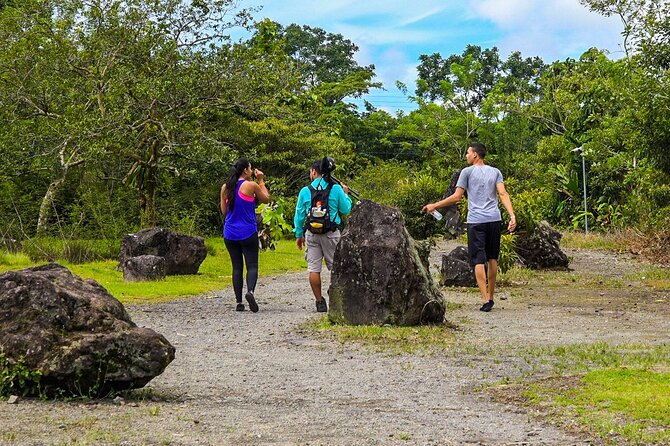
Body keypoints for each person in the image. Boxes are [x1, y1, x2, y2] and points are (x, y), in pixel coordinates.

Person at [423, 142, 516, 312]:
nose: (466, 156)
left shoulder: (466, 172)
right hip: (494, 219)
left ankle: (485, 299)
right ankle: (492, 296)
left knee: (478, 259)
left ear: (475, 155)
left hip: (476, 221)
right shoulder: (495, 172)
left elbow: (457, 197)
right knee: (492, 258)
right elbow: (503, 193)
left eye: (468, 153)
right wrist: (512, 215)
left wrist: (435, 205)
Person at [294, 159, 352, 312]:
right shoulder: (336, 188)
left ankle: (319, 301)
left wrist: (299, 234)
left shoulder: (305, 191)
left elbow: (299, 215)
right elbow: (345, 209)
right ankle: (335, 295)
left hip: (312, 234)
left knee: (314, 268)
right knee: (335, 268)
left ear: (314, 171)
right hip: (332, 233)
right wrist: (345, 194)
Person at [220, 158, 270, 312]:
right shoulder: (251, 185)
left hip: (230, 233)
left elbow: (224, 211)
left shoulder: (225, 187)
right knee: (252, 265)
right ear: (245, 171)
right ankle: (250, 292)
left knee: (236, 267)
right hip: (248, 232)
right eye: (250, 168)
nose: (251, 171)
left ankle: (239, 302)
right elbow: (266, 199)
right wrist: (261, 180)